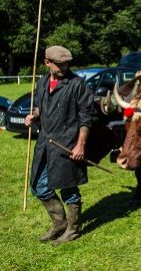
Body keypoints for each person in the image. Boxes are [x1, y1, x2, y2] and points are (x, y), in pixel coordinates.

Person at [25, 46, 95, 245]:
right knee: (38, 186)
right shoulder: (42, 82)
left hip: (67, 145)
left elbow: (86, 119)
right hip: (45, 144)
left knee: (68, 188)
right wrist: (34, 116)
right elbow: (41, 107)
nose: (64, 67)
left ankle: (72, 230)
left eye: (66, 63)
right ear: (47, 62)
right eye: (59, 64)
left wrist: (80, 145)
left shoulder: (77, 85)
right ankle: (59, 223)